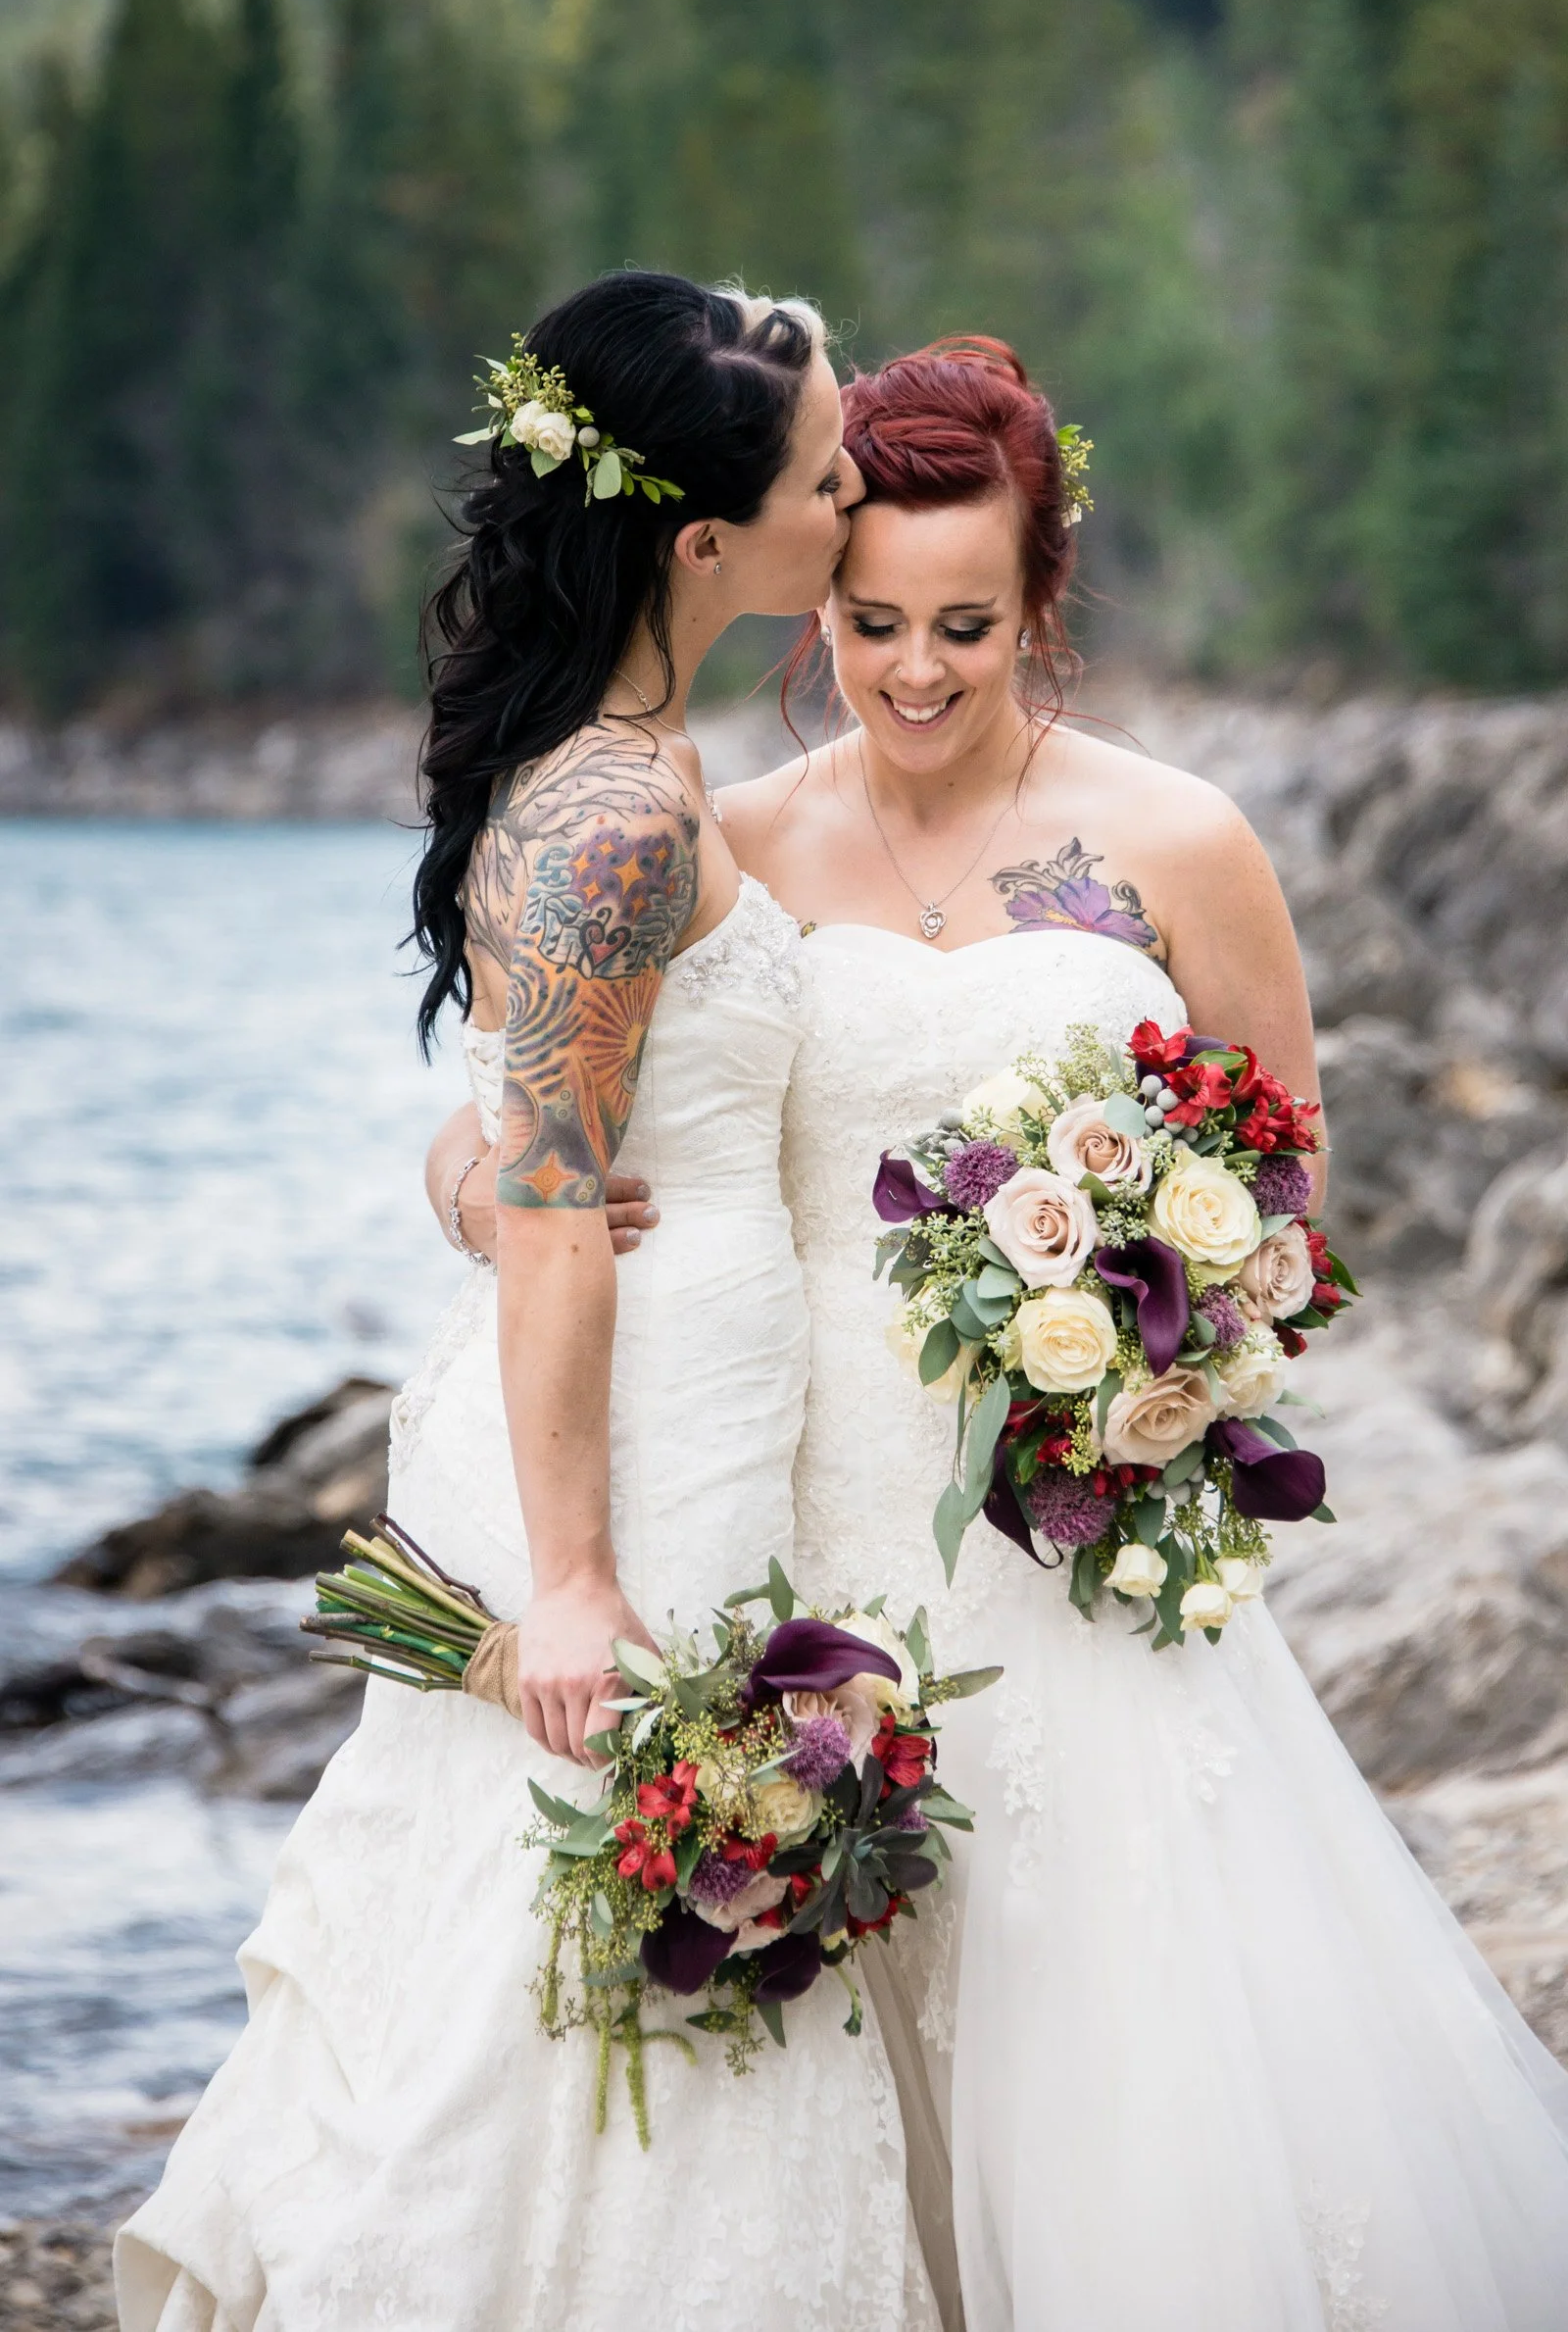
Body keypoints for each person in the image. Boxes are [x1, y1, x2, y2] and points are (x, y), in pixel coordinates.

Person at [437, 337, 1568, 2330]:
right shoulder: (734, 833)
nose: (914, 671)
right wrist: (475, 1193)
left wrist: (1167, 1346)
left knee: (1117, 2035)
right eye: (871, 620)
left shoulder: (1180, 840)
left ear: (1042, 595)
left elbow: (1285, 1191)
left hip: (1061, 1540)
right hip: (793, 1532)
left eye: (965, 622)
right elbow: (515, 1116)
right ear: (818, 596)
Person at [116, 272, 943, 2332]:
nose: (854, 502)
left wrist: (471, 1172)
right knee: (571, 1899)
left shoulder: (633, 771)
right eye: (826, 476)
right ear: (701, 542)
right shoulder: (607, 815)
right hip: (622, 1438)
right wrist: (569, 1576)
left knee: (619, 1906)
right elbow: (562, 1207)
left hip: (701, 1395)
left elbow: (517, 1139)